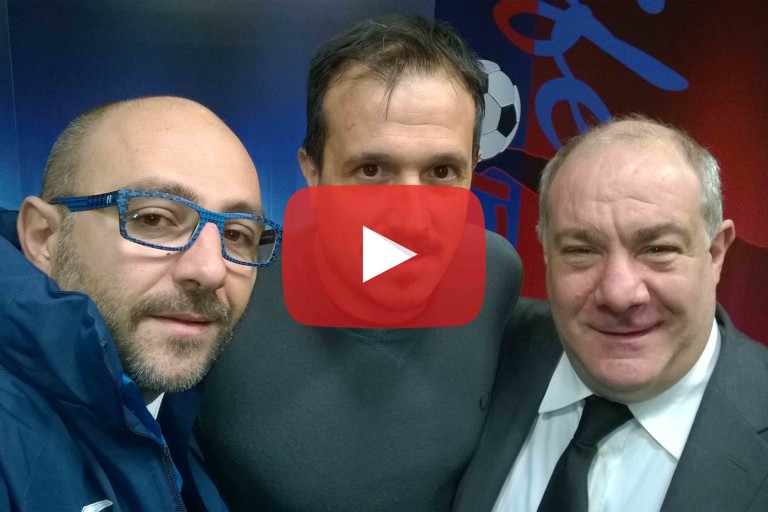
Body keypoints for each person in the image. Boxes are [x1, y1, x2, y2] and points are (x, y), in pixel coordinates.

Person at [192, 15, 523, 510]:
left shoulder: (496, 273)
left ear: (473, 169)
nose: (411, 220)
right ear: (313, 173)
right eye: (371, 169)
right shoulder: (230, 283)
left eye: (442, 171)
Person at [453, 116, 768, 512]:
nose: (619, 294)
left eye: (658, 249)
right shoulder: (484, 349)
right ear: (547, 254)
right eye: (581, 250)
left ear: (715, 254)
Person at [0, 96, 281, 510]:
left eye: (237, 234)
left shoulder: (208, 412)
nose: (211, 270)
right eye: (154, 218)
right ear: (44, 238)